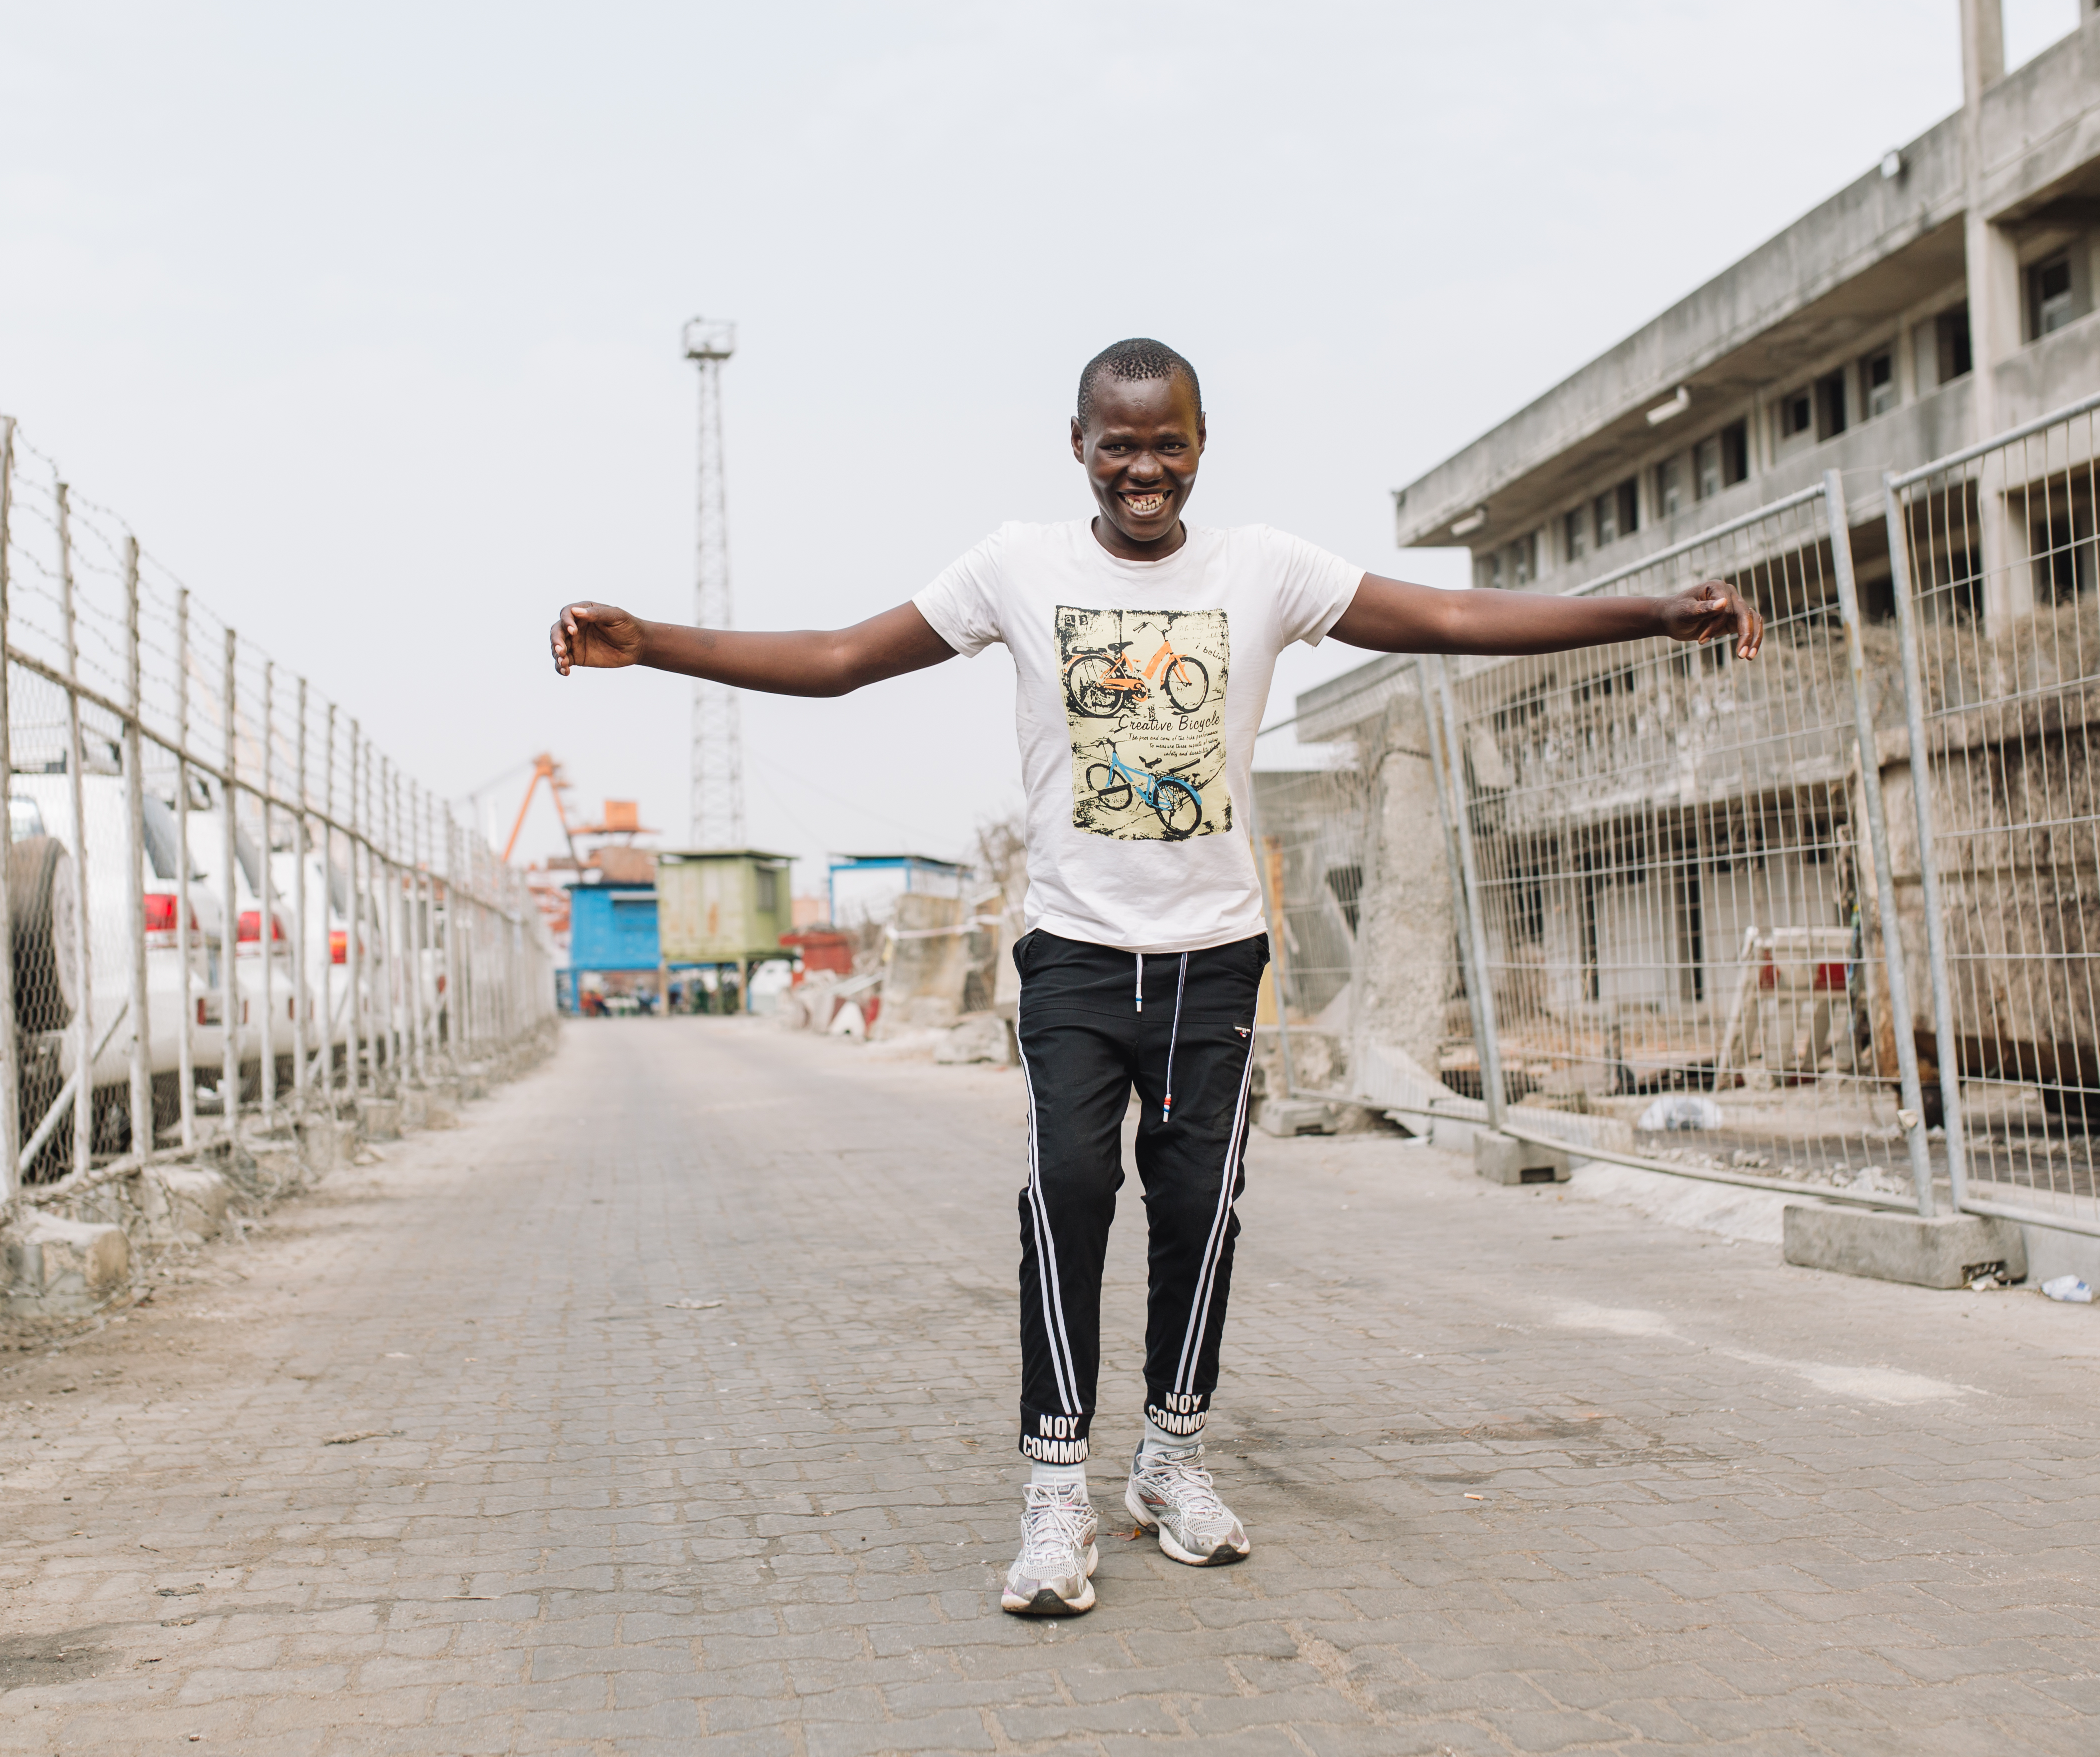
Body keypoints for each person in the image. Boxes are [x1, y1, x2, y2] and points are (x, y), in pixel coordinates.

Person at [549, 336, 1762, 1618]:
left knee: (1199, 1212)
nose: (1143, 469)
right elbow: (845, 655)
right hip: (1074, 959)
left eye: (1166, 443)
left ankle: (1172, 1459)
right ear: (1077, 445)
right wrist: (656, 643)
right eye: (1117, 443)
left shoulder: (1266, 571)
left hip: (1212, 966)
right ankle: (1056, 1487)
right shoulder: (1016, 568)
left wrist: (1657, 611)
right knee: (1066, 1197)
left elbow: (1453, 618)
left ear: (1200, 446)